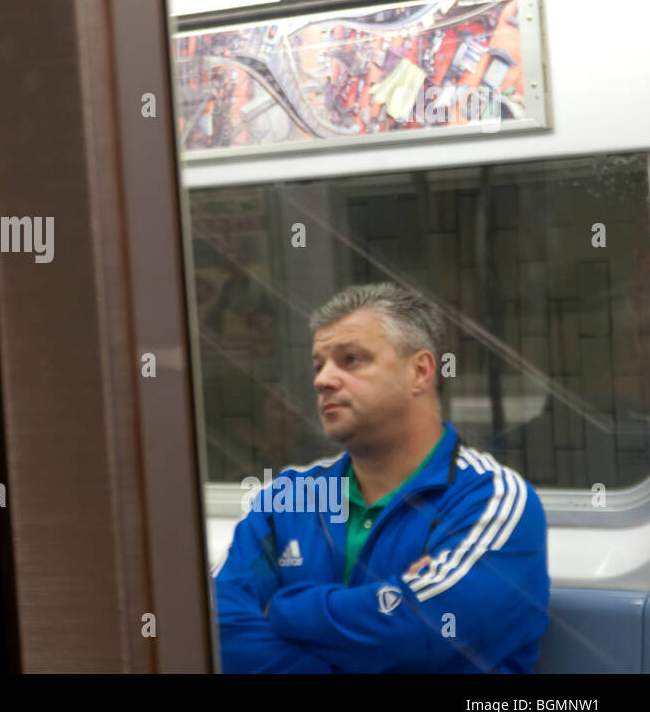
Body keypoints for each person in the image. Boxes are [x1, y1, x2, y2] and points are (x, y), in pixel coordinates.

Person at [214, 282, 549, 672]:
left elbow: (420, 634)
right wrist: (385, 603)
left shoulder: (490, 498)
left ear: (420, 372)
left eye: (350, 359)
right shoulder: (289, 497)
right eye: (318, 365)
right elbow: (220, 625)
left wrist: (279, 607)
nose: (323, 379)